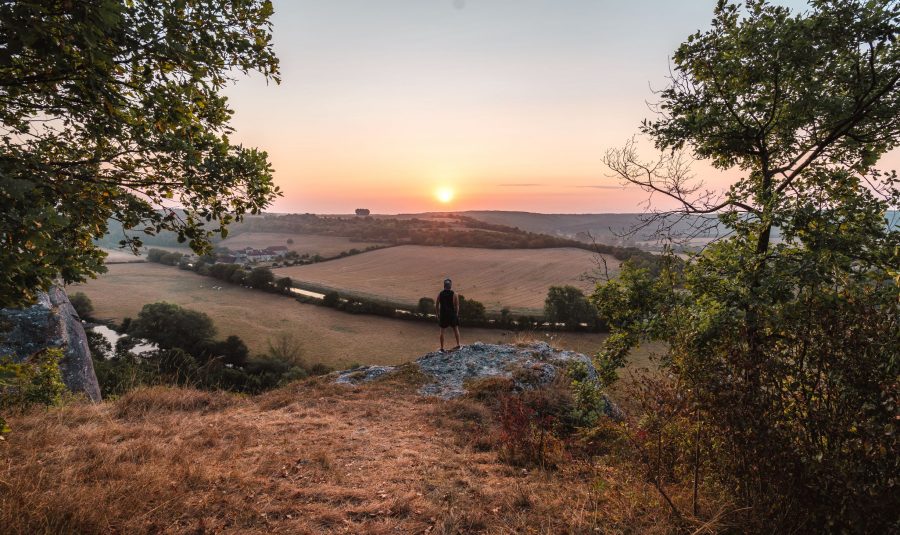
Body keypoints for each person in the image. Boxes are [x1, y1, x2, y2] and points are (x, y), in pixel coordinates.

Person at [435, 278, 461, 352]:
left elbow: (436, 305)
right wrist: (456, 314)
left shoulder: (440, 294)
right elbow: (457, 306)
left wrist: (437, 314)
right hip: (452, 314)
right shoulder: (455, 294)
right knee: (456, 329)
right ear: (450, 285)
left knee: (442, 332)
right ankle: (458, 345)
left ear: (444, 285)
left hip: (443, 315)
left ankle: (442, 348)